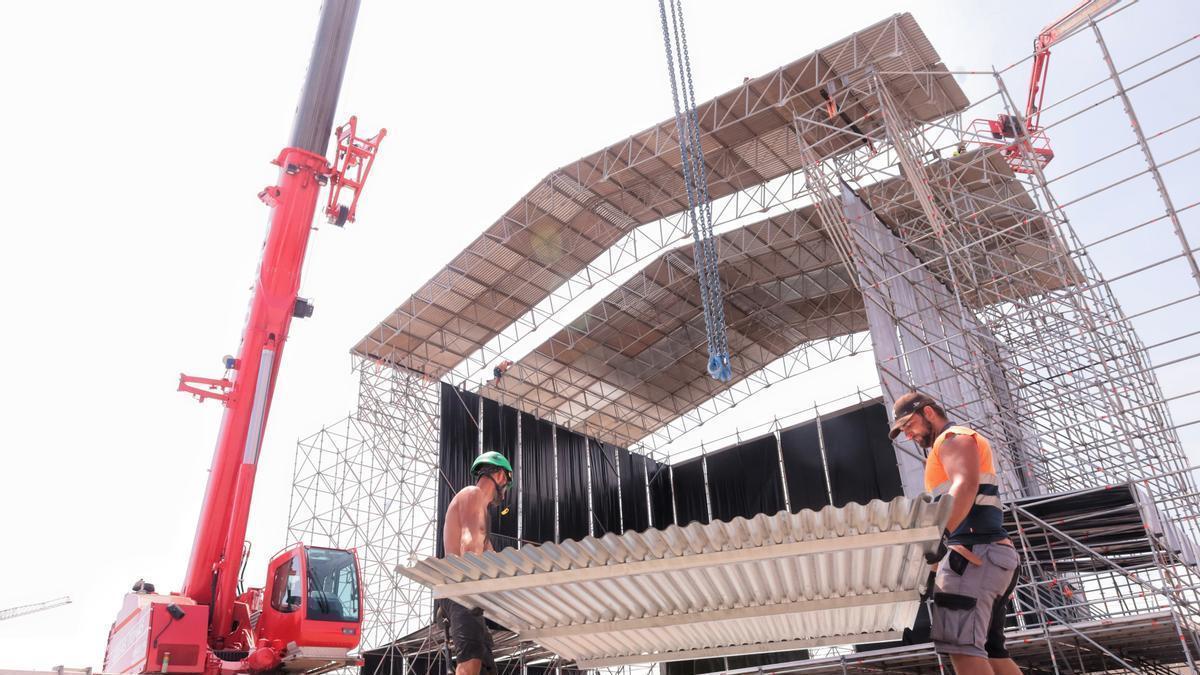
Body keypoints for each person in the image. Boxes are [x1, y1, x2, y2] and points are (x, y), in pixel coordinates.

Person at [889, 392, 1022, 675]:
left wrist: (940, 537)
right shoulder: (951, 444)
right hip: (986, 556)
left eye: (908, 425)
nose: (908, 435)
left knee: (961, 649)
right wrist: (933, 569)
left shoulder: (951, 439)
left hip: (973, 556)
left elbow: (965, 485)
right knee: (992, 652)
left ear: (928, 412)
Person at [438, 451, 513, 675]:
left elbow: (491, 555)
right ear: (501, 475)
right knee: (470, 663)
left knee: (484, 663)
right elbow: (469, 547)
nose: (506, 491)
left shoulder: (480, 509)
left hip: (469, 593)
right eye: (507, 483)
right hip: (462, 589)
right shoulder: (473, 495)